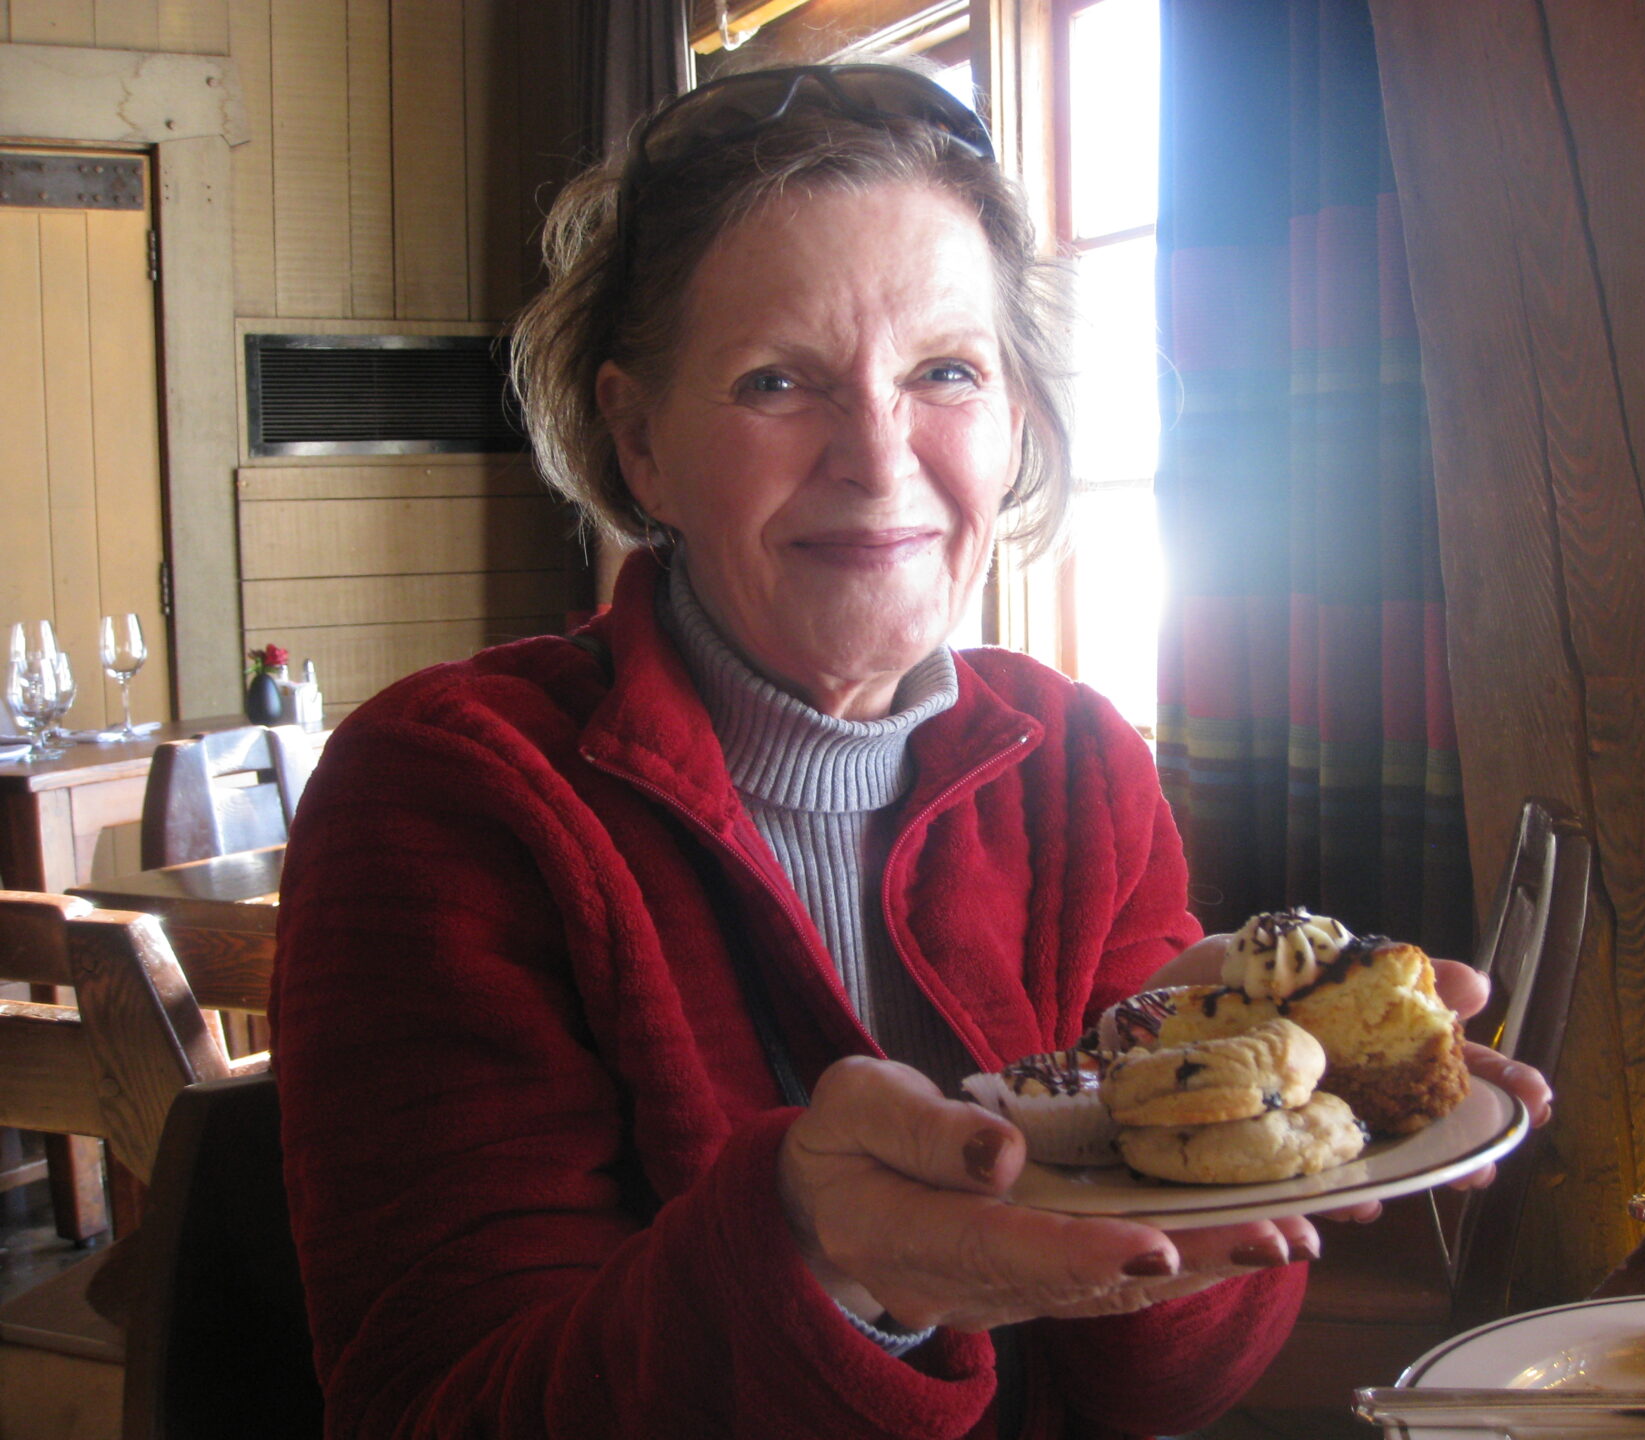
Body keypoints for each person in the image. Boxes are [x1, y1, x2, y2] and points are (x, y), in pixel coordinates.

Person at [270, 63, 1550, 1440]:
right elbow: (437, 1411)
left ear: (1013, 420)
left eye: (946, 372)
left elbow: (1155, 1392)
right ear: (640, 442)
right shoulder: (454, 794)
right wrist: (821, 1260)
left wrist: (1201, 1158)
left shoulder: (1076, 765)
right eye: (777, 382)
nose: (879, 461)